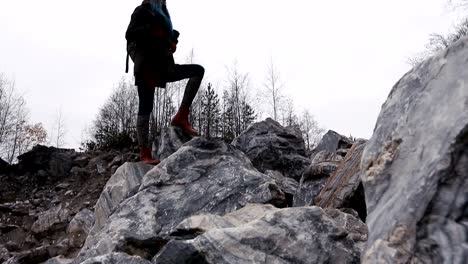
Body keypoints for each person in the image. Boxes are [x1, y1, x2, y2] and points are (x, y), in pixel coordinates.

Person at [125, 0, 205, 164]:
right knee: (145, 106)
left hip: (164, 67)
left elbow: (161, 39)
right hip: (147, 66)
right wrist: (153, 31)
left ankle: (181, 117)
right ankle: (144, 152)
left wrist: (170, 41)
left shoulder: (163, 15)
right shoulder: (142, 10)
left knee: (198, 71)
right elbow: (130, 33)